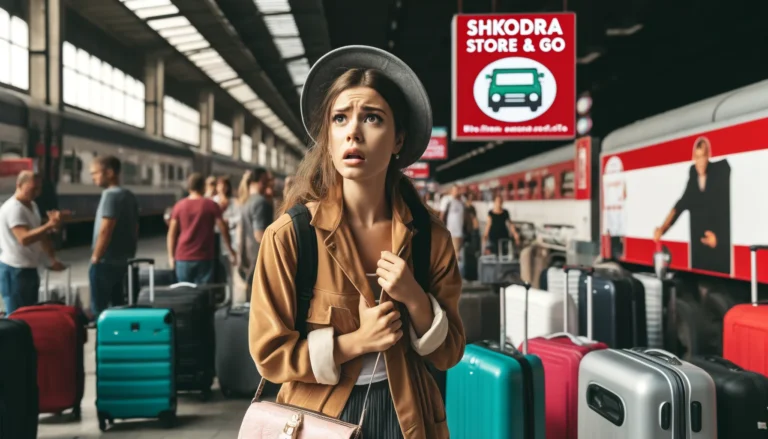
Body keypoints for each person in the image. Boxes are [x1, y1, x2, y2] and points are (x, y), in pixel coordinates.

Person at [248, 46, 465, 439]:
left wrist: (415, 298)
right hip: (317, 420)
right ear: (328, 140)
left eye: (372, 118)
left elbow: (448, 353)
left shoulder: (430, 240)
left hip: (408, 417)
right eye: (340, 118)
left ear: (398, 139)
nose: (354, 131)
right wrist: (354, 343)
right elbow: (268, 354)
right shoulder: (290, 236)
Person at [653, 136, 731, 274]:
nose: (700, 162)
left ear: (709, 156)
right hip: (698, 250)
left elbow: (725, 210)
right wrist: (663, 228)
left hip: (717, 251)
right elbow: (681, 204)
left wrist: (719, 238)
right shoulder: (693, 175)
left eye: (703, 157)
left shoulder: (720, 173)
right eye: (697, 157)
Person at [0, 171, 65, 314]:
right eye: (33, 188)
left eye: (39, 188)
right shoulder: (14, 209)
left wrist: (52, 259)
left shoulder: (32, 206)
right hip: (14, 269)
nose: (37, 192)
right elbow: (24, 238)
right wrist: (49, 225)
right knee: (17, 315)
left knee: (30, 314)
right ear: (19, 185)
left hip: (29, 268)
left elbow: (40, 235)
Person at [89, 156, 140, 319]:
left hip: (105, 262)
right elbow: (135, 228)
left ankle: (102, 342)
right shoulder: (129, 196)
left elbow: (106, 228)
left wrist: (96, 257)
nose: (93, 177)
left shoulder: (110, 195)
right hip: (124, 261)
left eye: (96, 173)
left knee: (100, 312)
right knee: (120, 309)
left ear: (110, 173)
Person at [168, 173, 235, 285]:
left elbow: (171, 233)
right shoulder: (211, 205)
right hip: (204, 257)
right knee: (203, 295)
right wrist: (231, 250)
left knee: (185, 293)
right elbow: (222, 227)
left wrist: (171, 256)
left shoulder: (179, 206)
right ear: (203, 187)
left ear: (189, 187)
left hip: (183, 256)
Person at [238, 167, 273, 298]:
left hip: (249, 255)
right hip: (259, 257)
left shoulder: (246, 200)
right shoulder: (260, 202)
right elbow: (260, 235)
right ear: (258, 182)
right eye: (265, 181)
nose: (267, 185)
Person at [439, 185, 465, 257]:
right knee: (454, 253)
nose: (457, 192)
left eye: (458, 190)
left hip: (460, 231)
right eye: (455, 190)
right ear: (451, 191)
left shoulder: (461, 201)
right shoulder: (447, 200)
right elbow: (442, 215)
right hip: (451, 230)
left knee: (458, 252)